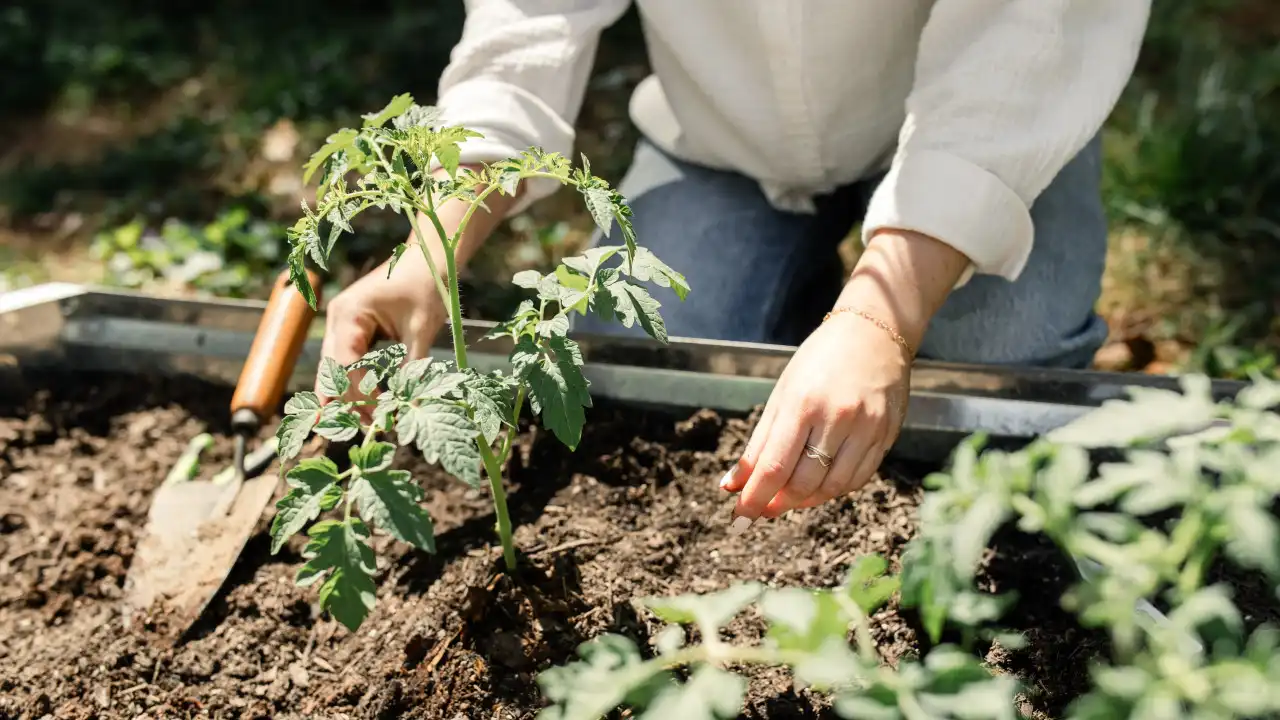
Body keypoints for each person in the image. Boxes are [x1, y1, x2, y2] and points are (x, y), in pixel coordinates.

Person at [317, 1, 1152, 535]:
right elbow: (529, 21)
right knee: (636, 385)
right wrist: (433, 241)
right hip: (723, 140)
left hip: (982, 126)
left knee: (993, 386)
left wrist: (880, 320)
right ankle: (813, 342)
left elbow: (1030, 31)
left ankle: (852, 323)